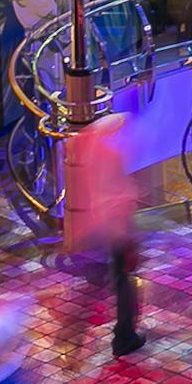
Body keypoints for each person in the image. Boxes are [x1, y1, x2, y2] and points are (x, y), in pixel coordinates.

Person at [63, 112, 144, 356]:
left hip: (96, 225)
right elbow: (116, 197)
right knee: (120, 282)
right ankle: (123, 336)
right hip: (113, 226)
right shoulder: (110, 153)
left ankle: (74, 336)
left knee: (103, 281)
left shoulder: (89, 146)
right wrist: (126, 237)